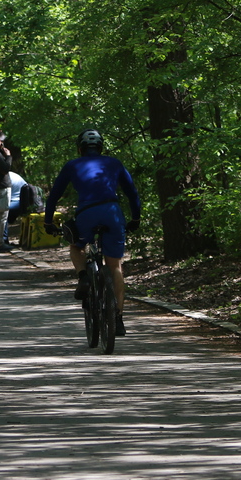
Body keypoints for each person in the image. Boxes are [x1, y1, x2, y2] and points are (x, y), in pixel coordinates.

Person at [44, 129, 141, 335]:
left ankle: (83, 277)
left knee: (76, 246)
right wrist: (135, 218)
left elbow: (54, 196)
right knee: (115, 266)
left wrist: (47, 222)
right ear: (101, 148)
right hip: (112, 211)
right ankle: (118, 318)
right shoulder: (114, 163)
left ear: (80, 149)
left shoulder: (72, 165)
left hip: (87, 212)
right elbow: (132, 193)